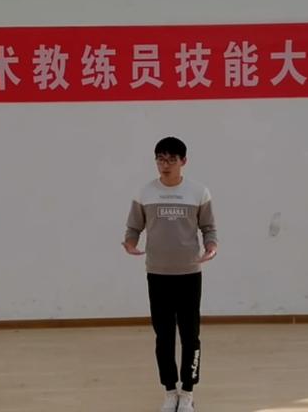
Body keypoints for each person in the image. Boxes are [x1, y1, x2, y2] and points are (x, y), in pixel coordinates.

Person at [122, 136, 217, 412]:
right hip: (157, 274)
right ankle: (170, 390)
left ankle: (187, 392)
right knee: (163, 336)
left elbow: (209, 228)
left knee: (190, 335)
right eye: (160, 159)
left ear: (183, 161)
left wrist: (211, 246)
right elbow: (133, 227)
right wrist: (130, 243)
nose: (165, 165)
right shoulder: (145, 192)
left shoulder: (199, 192)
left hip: (189, 274)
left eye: (171, 160)